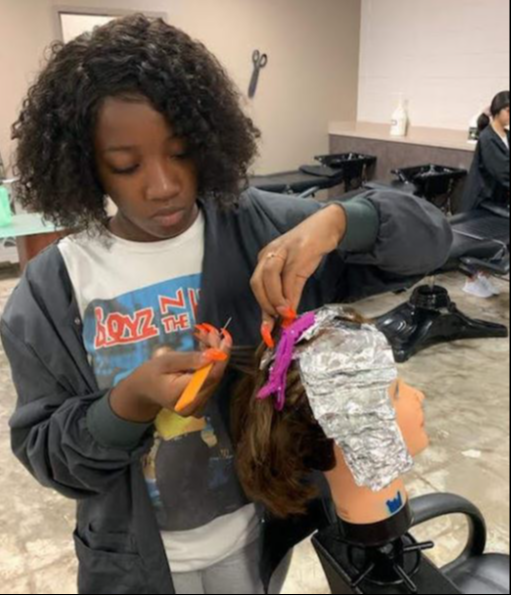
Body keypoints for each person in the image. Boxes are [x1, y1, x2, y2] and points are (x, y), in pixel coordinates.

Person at [0, 14, 451, 595]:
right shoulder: (51, 289)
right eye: (127, 165)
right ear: (85, 164)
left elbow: (432, 236)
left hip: (256, 535)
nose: (163, 185)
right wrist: (129, 402)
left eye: (182, 152)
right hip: (136, 558)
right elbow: (51, 457)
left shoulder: (263, 228)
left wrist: (338, 221)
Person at [462, 91, 510, 299]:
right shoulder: (487, 137)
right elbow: (501, 171)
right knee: (478, 243)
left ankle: (483, 276)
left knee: (492, 242)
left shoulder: (506, 136)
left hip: (497, 198)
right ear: (496, 112)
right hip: (482, 199)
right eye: (508, 110)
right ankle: (471, 281)